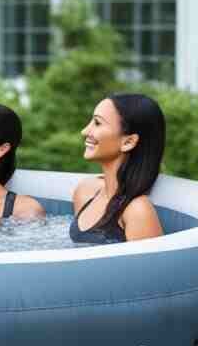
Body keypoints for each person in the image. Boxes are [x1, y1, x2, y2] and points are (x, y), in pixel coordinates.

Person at [70, 93, 165, 244]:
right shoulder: (86, 191)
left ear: (128, 142)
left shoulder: (138, 211)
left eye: (97, 123)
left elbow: (152, 268)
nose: (85, 131)